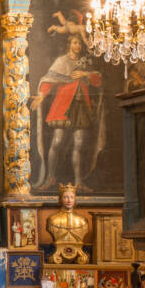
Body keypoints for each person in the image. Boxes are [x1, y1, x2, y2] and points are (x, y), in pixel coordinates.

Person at [32, 35, 102, 192]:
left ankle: (78, 182)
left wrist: (85, 74)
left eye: (79, 43)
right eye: (74, 43)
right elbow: (49, 79)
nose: (77, 46)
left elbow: (97, 81)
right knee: (56, 141)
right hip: (63, 104)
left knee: (79, 143)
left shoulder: (86, 63)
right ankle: (50, 177)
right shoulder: (62, 61)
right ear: (69, 44)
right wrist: (41, 96)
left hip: (81, 105)